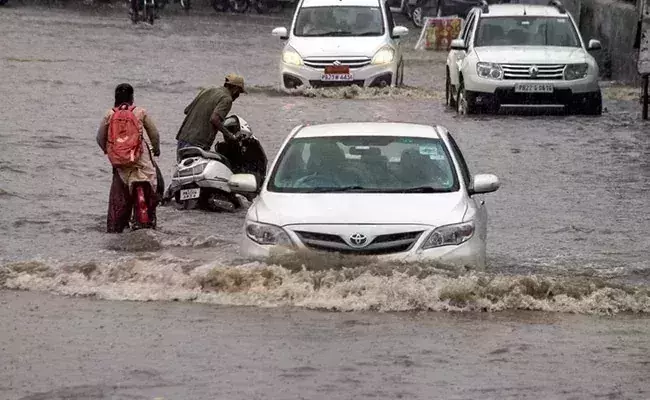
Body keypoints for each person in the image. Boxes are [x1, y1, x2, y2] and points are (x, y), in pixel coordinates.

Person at [96, 83, 162, 233]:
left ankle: (115, 229)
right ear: (132, 97)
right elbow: (154, 135)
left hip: (120, 165)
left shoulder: (110, 114)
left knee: (118, 204)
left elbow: (100, 138)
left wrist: (110, 152)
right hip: (142, 163)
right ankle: (148, 225)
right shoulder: (140, 112)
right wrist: (156, 150)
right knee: (150, 196)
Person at [175, 74, 246, 161]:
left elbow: (187, 110)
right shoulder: (227, 99)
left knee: (184, 171)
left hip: (183, 138)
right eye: (239, 92)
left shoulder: (207, 90)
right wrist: (230, 135)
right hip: (198, 143)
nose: (238, 96)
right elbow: (214, 119)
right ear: (235, 89)